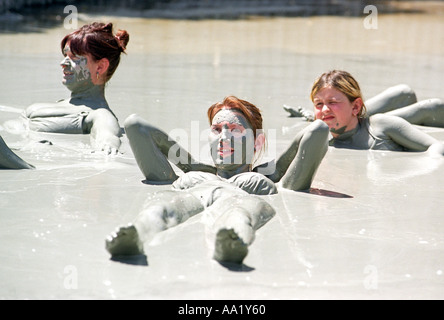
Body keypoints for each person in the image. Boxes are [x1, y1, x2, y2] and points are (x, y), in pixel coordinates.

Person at [105, 96, 329, 264]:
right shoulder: (194, 176)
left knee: (240, 214)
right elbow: (136, 126)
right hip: (193, 195)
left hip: (243, 200)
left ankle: (232, 243)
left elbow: (317, 130)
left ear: (257, 142)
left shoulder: (267, 180)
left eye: (235, 129)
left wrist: (275, 171)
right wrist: (190, 166)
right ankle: (136, 234)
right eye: (216, 129)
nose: (224, 137)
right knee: (162, 206)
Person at [23, 22, 129, 154]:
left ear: (100, 67)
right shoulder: (60, 104)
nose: (63, 63)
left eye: (75, 57)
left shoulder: (99, 114)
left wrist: (108, 145)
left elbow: (107, 134)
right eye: (65, 55)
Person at [304, 70, 444, 156]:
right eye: (319, 104)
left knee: (424, 103)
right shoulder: (322, 142)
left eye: (332, 102)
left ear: (356, 106)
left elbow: (437, 146)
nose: (324, 109)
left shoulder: (381, 126)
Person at [284, 75, 444, 129]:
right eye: (319, 103)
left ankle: (345, 114)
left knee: (408, 95)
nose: (325, 107)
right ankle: (342, 116)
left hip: (361, 122)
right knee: (426, 104)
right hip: (363, 127)